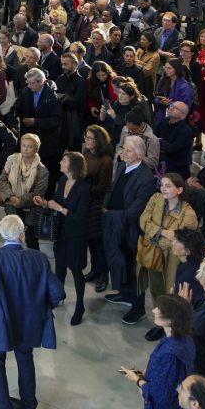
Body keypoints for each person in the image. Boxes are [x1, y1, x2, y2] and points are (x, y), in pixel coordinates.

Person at [0, 214, 65, 409]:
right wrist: (41, 307)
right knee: (25, 359)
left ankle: (4, 405)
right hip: (28, 322)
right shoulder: (39, 258)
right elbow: (58, 292)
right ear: (22, 235)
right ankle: (28, 403)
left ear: (1, 235)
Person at [131, 173, 198, 331]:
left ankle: (173, 325)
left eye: (168, 186)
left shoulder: (189, 213)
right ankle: (160, 322)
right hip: (154, 253)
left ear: (179, 189)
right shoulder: (155, 199)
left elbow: (180, 238)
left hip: (174, 258)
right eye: (162, 184)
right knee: (155, 289)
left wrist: (155, 232)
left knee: (172, 291)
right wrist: (162, 231)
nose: (163, 188)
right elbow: (143, 221)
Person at [34, 151, 90, 325]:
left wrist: (59, 208)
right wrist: (45, 203)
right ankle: (58, 295)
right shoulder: (63, 181)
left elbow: (80, 217)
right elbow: (57, 201)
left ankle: (80, 306)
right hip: (62, 232)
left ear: (73, 165)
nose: (60, 162)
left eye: (63, 160)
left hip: (77, 235)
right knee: (60, 266)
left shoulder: (84, 189)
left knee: (76, 270)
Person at [104, 136, 158, 315]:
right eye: (123, 149)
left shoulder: (146, 178)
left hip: (132, 230)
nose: (122, 153)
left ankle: (138, 306)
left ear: (139, 154)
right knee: (120, 262)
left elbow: (137, 211)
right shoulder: (122, 166)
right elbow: (113, 189)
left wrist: (110, 215)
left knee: (134, 267)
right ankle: (125, 294)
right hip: (117, 225)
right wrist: (106, 206)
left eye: (127, 150)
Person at [119, 294, 196, 409]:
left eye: (159, 310)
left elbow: (161, 396)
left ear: (171, 319)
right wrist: (144, 374)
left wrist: (137, 380)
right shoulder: (183, 338)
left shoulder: (170, 355)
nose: (154, 310)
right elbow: (167, 377)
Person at [83, 124, 115, 292]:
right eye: (86, 137)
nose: (87, 140)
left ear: (99, 141)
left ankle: (103, 275)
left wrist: (83, 188)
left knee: (99, 242)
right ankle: (95, 270)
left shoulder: (105, 160)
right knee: (90, 241)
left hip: (97, 204)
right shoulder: (86, 153)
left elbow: (103, 186)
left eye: (90, 138)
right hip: (86, 202)